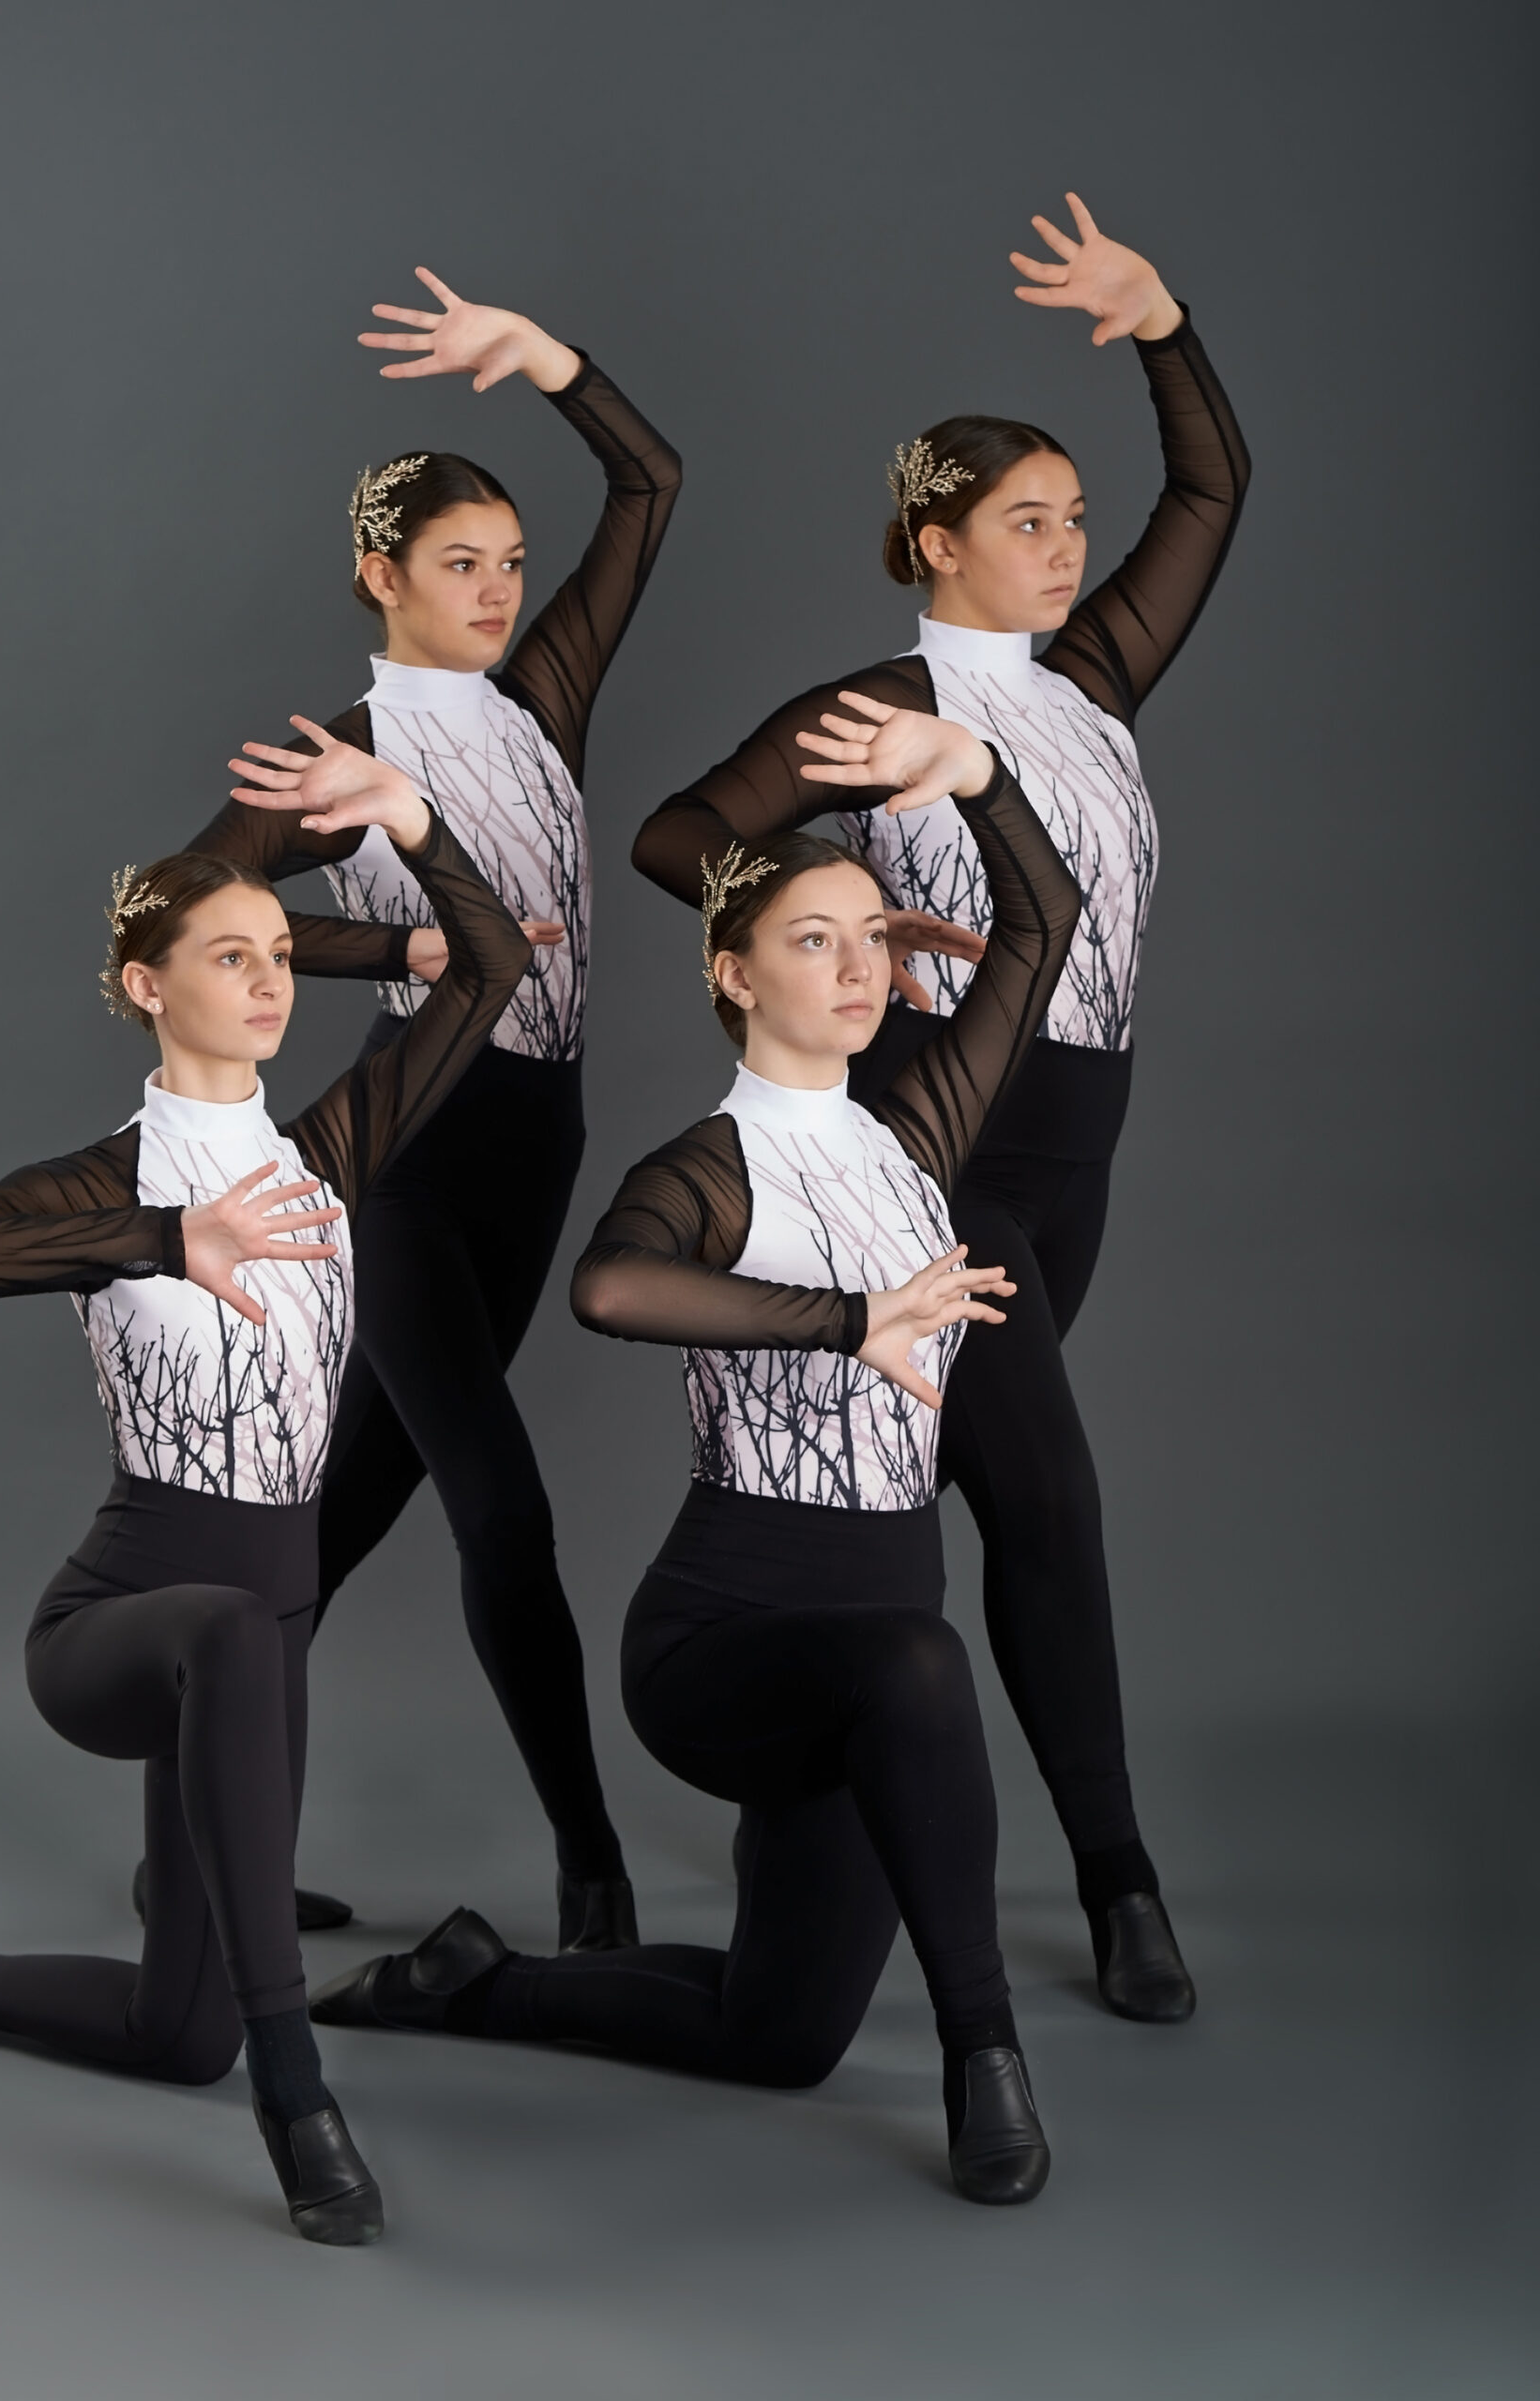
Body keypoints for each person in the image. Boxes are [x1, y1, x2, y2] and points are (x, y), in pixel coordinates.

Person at [309, 709, 1081, 2204]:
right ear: (733, 973)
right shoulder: (708, 1168)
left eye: (869, 936)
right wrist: (851, 1316)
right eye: (813, 940)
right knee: (924, 1661)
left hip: (861, 1675)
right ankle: (986, 2056)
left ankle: (466, 1987)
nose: (858, 968)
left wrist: (975, 781)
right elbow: (611, 1288)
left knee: (774, 2037)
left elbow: (1041, 932)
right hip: (723, 1645)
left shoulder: (916, 1131)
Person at [629, 196, 1248, 2019]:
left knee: (963, 1485)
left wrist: (1161, 325)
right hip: (943, 1149)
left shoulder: (1093, 678)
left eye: (1071, 519)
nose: (1068, 547)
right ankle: (1117, 1881)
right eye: (1027, 521)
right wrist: (838, 917)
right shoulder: (872, 705)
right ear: (932, 539)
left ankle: (814, 1806)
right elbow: (679, 831)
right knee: (1040, 1497)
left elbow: (1206, 494)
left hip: (1078, 1156)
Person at [0, 733, 529, 2245]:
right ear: (146, 985)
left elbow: (493, 971)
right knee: (237, 1647)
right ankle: (300, 2099)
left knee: (172, 2030)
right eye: (230, 956)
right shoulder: (104, 1181)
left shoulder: (327, 1156)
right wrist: (157, 1239)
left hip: (258, 1642)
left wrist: (412, 819)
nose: (269, 984)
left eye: (278, 958)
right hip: (124, 1626)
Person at [179, 269, 682, 1951]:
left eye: (510, 566)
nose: (494, 590)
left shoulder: (540, 712)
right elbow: (178, 912)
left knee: (332, 1529)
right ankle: (592, 1867)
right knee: (505, 1503)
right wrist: (393, 931)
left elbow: (651, 482)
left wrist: (548, 358)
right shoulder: (347, 755)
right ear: (380, 575)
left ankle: (189, 1842)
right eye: (458, 564)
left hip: (540, 1155)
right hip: (409, 1160)